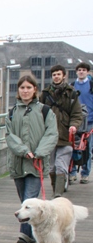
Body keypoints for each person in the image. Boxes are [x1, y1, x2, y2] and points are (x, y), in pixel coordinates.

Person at [5, 75, 58, 243]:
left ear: (35, 89)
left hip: (37, 164)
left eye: (29, 87)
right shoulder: (13, 112)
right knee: (24, 202)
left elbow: (51, 134)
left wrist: (39, 152)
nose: (25, 91)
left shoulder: (45, 111)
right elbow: (9, 135)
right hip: (19, 163)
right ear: (18, 90)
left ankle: (24, 237)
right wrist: (23, 150)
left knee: (30, 198)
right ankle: (33, 233)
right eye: (22, 88)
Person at [39, 64, 82, 197]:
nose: (56, 77)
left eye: (58, 74)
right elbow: (39, 112)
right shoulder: (45, 94)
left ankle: (58, 195)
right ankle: (55, 191)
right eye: (54, 75)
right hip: (49, 135)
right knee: (51, 167)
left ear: (64, 75)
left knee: (60, 165)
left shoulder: (72, 94)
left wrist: (74, 125)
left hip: (65, 135)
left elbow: (76, 114)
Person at [69, 62, 93, 184]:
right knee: (72, 146)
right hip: (75, 120)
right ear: (76, 71)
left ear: (87, 72)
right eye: (79, 70)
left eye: (84, 70)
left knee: (87, 148)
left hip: (89, 121)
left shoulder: (91, 85)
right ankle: (72, 173)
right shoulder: (72, 86)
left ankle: (85, 173)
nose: (81, 72)